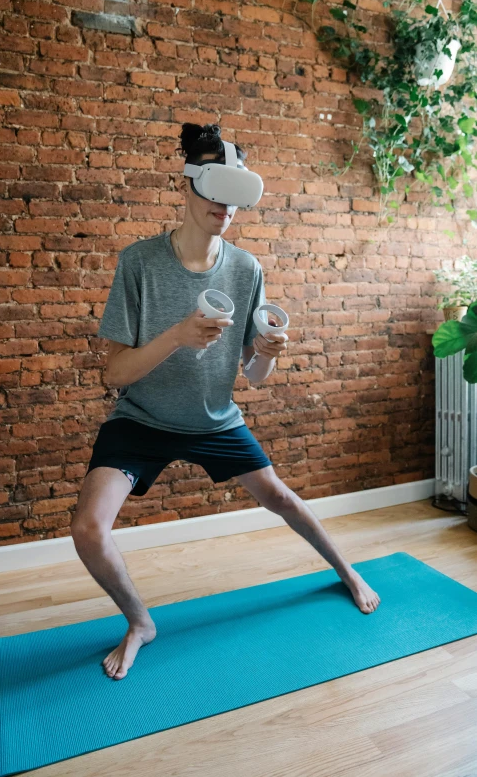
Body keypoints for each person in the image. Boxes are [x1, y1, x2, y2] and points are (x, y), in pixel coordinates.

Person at [71, 123, 381, 681]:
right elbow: (113, 373)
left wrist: (267, 351)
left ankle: (348, 571)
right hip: (142, 419)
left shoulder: (246, 269)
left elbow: (255, 376)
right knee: (90, 529)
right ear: (186, 186)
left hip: (215, 421)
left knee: (282, 498)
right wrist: (175, 336)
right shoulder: (139, 263)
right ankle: (140, 622)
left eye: (238, 190)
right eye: (216, 186)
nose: (228, 205)